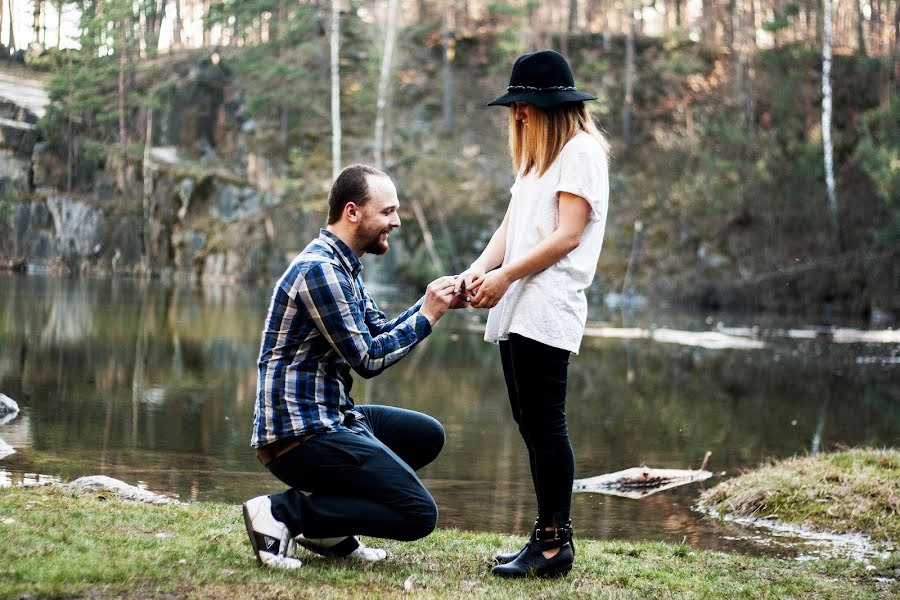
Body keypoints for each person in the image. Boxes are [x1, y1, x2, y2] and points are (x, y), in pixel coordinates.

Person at [242, 164, 465, 569]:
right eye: (388, 212)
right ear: (352, 212)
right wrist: (427, 317)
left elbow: (378, 330)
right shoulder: (319, 270)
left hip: (331, 418)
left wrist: (433, 302)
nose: (395, 222)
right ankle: (281, 514)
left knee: (425, 436)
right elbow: (368, 359)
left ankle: (329, 531)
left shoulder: (343, 265)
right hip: (299, 434)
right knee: (418, 514)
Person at [456, 49, 610, 578]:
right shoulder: (540, 159)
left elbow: (568, 235)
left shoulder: (582, 152)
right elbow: (511, 227)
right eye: (514, 106)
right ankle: (544, 537)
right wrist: (475, 272)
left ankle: (553, 544)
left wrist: (504, 277)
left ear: (551, 106)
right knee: (530, 421)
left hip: (548, 303)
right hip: (521, 300)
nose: (516, 115)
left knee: (546, 424)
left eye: (522, 105)